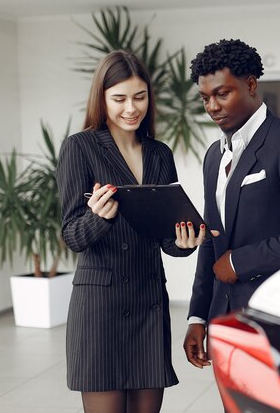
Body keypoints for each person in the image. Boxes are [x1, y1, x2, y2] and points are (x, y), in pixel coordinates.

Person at [56, 50, 207, 413]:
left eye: (139, 97)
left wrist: (185, 244)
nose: (131, 108)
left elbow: (165, 235)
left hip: (148, 303)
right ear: (102, 99)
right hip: (99, 310)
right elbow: (72, 236)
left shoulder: (160, 154)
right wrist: (98, 218)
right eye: (119, 98)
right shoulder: (80, 148)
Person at [183, 39, 280, 370]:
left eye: (222, 94)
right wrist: (198, 314)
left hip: (277, 315)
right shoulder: (213, 156)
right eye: (205, 98)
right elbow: (211, 237)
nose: (212, 106)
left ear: (251, 85)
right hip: (224, 317)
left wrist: (240, 261)